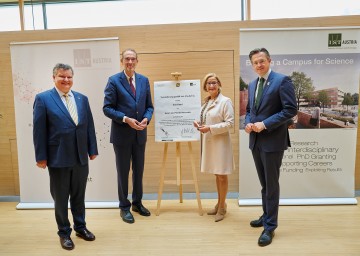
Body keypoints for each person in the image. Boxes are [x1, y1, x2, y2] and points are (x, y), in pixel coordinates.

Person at [33, 63, 98, 250]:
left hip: (80, 157)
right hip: (58, 157)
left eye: (69, 77)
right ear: (54, 77)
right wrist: (41, 157)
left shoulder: (82, 99)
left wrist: (92, 149)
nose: (66, 80)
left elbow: (89, 126)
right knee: (61, 198)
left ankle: (80, 227)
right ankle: (64, 232)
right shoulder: (43, 99)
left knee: (79, 196)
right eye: (62, 76)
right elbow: (39, 131)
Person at [244, 48, 297, 246]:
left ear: (269, 61)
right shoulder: (252, 84)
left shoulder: (282, 81)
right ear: (252, 65)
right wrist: (248, 123)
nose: (259, 65)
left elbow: (290, 110)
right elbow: (249, 110)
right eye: (255, 62)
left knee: (272, 185)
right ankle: (266, 216)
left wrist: (264, 124)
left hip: (273, 141)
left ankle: (270, 227)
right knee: (265, 184)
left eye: (262, 61)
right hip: (256, 141)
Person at [103, 48, 154, 224]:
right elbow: (107, 108)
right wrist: (126, 119)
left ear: (137, 61)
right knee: (123, 173)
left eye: (133, 59)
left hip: (140, 135)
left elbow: (149, 106)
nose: (130, 62)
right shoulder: (114, 81)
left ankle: (137, 203)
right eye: (127, 59)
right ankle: (124, 207)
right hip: (122, 136)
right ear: (122, 61)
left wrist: (147, 118)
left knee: (138, 172)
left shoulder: (144, 80)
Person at [194, 73, 234, 222]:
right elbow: (206, 119)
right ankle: (219, 203)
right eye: (209, 83)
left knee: (222, 175)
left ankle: (222, 207)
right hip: (211, 143)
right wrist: (198, 124)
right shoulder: (206, 102)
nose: (211, 85)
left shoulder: (225, 101)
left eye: (214, 83)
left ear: (219, 84)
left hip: (221, 144)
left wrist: (210, 128)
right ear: (205, 86)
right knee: (217, 175)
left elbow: (230, 123)